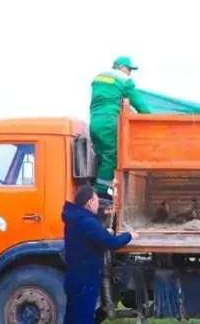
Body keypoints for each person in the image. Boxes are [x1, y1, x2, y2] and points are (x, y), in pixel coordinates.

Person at [62, 185, 137, 323]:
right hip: (85, 279)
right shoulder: (87, 222)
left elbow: (92, 238)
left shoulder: (75, 218)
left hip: (76, 277)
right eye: (96, 201)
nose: (98, 205)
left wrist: (103, 233)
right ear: (89, 202)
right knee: (82, 318)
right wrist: (130, 235)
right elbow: (112, 243)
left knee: (73, 316)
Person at [89, 56, 151, 199]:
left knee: (101, 156)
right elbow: (141, 105)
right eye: (129, 69)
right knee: (111, 155)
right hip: (109, 122)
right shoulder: (124, 80)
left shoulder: (99, 78)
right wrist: (148, 118)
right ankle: (101, 193)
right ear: (121, 67)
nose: (130, 73)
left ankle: (96, 187)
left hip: (94, 122)